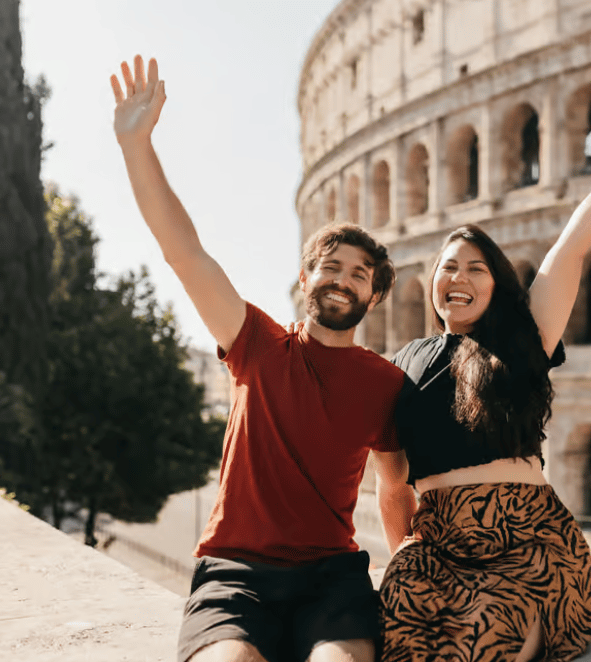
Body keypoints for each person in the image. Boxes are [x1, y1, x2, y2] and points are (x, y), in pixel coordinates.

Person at [109, 55, 417, 662]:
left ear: (375, 296)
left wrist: (409, 566)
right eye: (330, 267)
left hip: (333, 575)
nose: (342, 280)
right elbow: (185, 252)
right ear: (305, 278)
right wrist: (135, 144)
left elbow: (395, 487)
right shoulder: (257, 344)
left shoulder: (386, 383)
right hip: (234, 571)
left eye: (359, 275)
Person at [379, 117, 591, 661]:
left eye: (476, 268)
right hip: (439, 542)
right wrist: (403, 549)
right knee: (397, 610)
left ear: (497, 283)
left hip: (529, 541)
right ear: (433, 281)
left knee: (486, 634)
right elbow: (393, 484)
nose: (460, 278)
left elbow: (573, 244)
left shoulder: (522, 341)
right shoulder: (403, 363)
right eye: (448, 268)